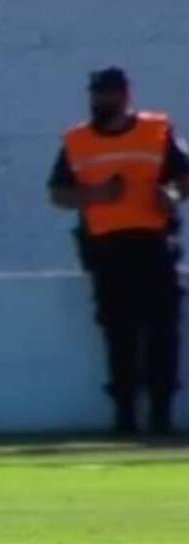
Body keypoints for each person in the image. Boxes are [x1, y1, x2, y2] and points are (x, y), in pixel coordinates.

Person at [48, 67, 189, 435]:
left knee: (162, 331)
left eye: (106, 94)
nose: (99, 101)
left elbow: (184, 179)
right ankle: (125, 416)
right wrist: (96, 195)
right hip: (106, 249)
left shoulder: (156, 131)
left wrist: (170, 196)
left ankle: (161, 415)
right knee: (118, 333)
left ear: (125, 95)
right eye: (96, 95)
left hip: (154, 245)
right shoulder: (78, 140)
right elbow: (58, 193)